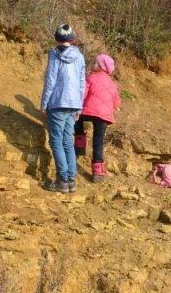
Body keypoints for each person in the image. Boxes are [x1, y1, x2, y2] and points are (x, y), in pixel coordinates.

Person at [41, 24, 86, 194]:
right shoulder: (80, 56)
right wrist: (79, 106)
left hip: (58, 102)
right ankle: (71, 181)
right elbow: (82, 83)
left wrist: (44, 103)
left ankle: (62, 180)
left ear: (56, 38)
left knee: (56, 141)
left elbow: (50, 81)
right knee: (68, 141)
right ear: (72, 39)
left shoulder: (54, 55)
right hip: (74, 103)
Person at [76, 54, 120, 183]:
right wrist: (114, 107)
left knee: (77, 120)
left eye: (95, 62)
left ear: (100, 66)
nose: (92, 64)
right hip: (104, 115)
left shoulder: (91, 77)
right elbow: (116, 101)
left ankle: (79, 145)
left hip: (89, 110)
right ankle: (98, 172)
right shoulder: (112, 84)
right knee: (98, 140)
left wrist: (76, 105)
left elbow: (82, 93)